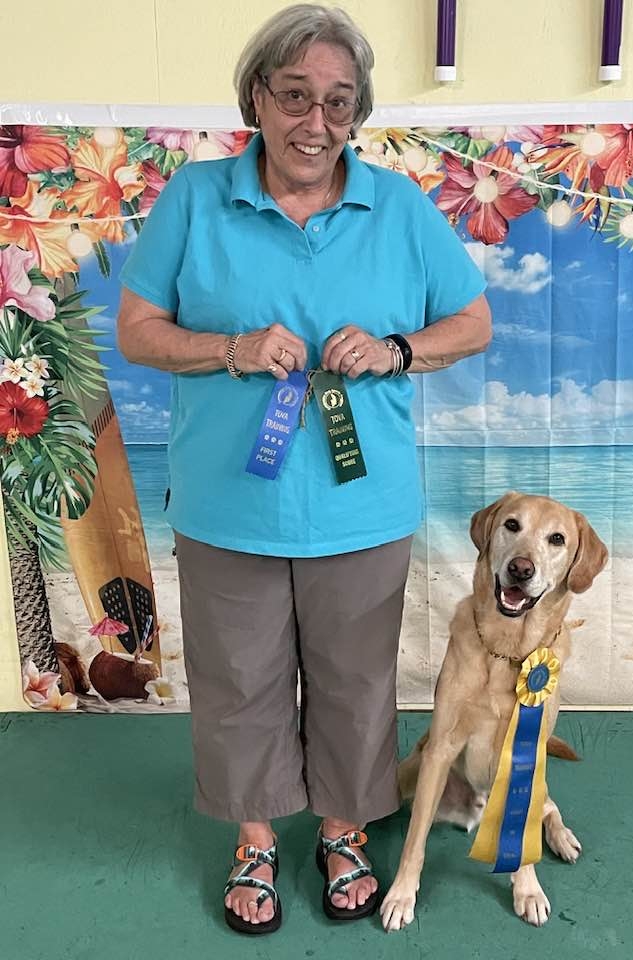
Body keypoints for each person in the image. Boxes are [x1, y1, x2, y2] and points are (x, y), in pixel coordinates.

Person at [117, 2, 491, 936]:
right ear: (256, 97)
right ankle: (253, 840)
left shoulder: (398, 206)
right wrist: (230, 349)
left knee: (356, 683)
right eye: (294, 96)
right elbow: (138, 331)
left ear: (357, 111)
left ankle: (342, 830)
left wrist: (399, 350)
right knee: (237, 679)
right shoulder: (195, 197)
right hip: (225, 504)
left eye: (338, 101)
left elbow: (473, 323)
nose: (316, 122)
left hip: (363, 507)